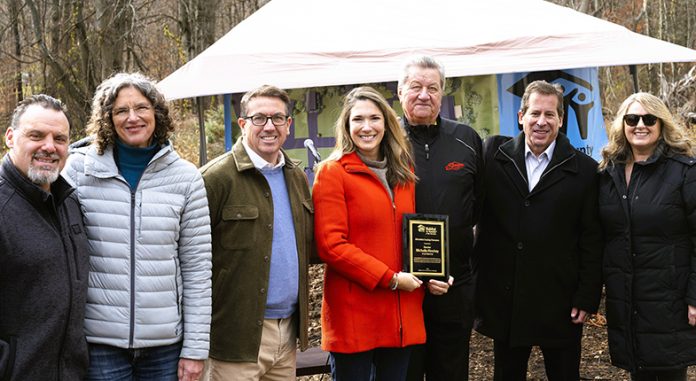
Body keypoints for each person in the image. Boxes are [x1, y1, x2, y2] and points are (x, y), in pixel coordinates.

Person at [63, 72, 212, 381]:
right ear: (107, 118)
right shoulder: (78, 170)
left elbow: (197, 269)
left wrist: (195, 349)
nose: (133, 117)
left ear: (156, 113)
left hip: (165, 345)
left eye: (141, 107)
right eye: (121, 110)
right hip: (100, 342)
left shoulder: (186, 178)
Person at [313, 86, 446, 381]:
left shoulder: (403, 171)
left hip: (401, 315)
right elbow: (331, 245)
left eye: (374, 118)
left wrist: (434, 272)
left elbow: (415, 236)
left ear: (387, 124)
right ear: (347, 127)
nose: (367, 127)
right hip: (355, 315)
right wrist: (390, 279)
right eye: (358, 119)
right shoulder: (332, 172)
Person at [474, 80, 603, 380]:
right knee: (507, 374)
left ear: (561, 119)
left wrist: (587, 296)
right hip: (508, 297)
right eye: (534, 113)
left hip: (560, 300)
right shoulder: (495, 157)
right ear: (521, 117)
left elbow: (592, 238)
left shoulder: (583, 170)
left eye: (550, 114)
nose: (541, 122)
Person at [200, 84, 314, 381]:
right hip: (235, 337)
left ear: (289, 125)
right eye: (259, 118)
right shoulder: (216, 178)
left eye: (277, 118)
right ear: (242, 124)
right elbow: (190, 260)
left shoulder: (296, 177)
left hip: (286, 331)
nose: (269, 127)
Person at [599, 92, 696, 381]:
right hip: (626, 300)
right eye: (632, 118)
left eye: (648, 118)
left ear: (661, 123)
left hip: (669, 300)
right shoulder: (607, 173)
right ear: (622, 125)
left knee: (668, 370)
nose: (640, 125)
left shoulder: (684, 172)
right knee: (637, 370)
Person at [398, 55, 483, 381]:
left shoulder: (466, 139)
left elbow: (477, 207)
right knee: (404, 372)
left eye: (432, 88)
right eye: (416, 86)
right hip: (402, 289)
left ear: (442, 92)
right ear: (400, 90)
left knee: (450, 372)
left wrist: (456, 267)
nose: (424, 94)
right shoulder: (384, 141)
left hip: (454, 287)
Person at [0, 95, 89, 380]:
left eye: (59, 139)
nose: (49, 147)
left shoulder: (69, 202)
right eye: (36, 135)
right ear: (11, 137)